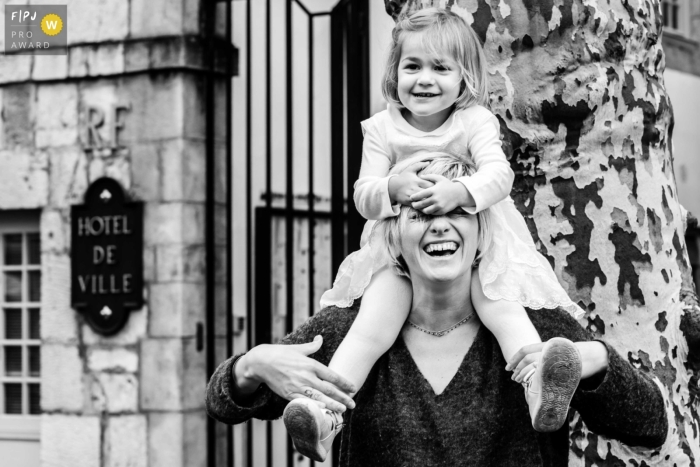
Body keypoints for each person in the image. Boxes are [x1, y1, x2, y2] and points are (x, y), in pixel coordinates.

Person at [205, 156, 669, 466]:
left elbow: (651, 427)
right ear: (394, 235)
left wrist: (597, 362)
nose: (440, 226)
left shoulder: (534, 327)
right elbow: (221, 401)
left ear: (483, 227)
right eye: (420, 213)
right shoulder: (347, 328)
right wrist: (255, 364)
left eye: (459, 210)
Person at [283, 7, 585, 460]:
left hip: (479, 248)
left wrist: (458, 192)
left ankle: (537, 384)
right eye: (413, 66)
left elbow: (499, 177)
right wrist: (391, 187)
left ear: (464, 80)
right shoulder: (381, 128)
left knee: (503, 309)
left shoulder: (474, 122)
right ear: (395, 72)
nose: (425, 79)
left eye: (441, 68)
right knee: (368, 330)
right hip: (400, 253)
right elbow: (363, 195)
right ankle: (324, 412)